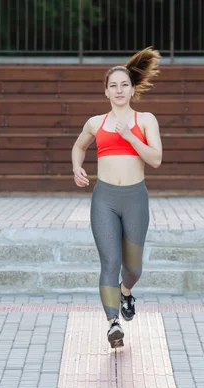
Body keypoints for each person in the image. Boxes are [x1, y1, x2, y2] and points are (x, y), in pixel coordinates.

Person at [71, 47, 163, 349]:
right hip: (105, 200)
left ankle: (126, 292)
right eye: (113, 85)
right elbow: (79, 147)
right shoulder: (95, 123)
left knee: (133, 268)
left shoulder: (146, 119)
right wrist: (76, 167)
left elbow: (156, 160)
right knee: (110, 262)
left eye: (124, 84)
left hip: (135, 198)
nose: (119, 89)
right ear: (106, 91)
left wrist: (130, 136)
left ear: (132, 89)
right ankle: (113, 324)